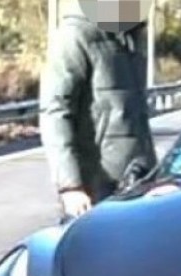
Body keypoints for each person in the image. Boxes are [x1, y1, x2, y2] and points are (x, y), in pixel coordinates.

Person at [39, 0, 157, 219]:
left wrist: (155, 172)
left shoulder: (131, 37)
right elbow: (55, 112)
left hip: (139, 182)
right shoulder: (75, 35)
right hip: (95, 188)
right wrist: (71, 186)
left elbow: (135, 117)